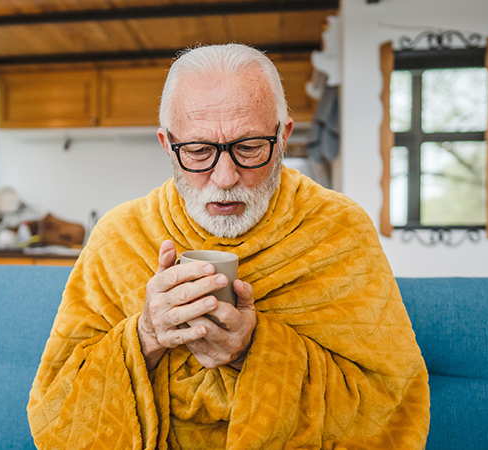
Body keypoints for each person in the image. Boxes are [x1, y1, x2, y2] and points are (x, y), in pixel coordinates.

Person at [28, 43, 430, 450]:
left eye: (249, 147)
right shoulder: (120, 235)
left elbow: (392, 409)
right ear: (168, 145)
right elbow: (55, 410)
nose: (224, 177)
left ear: (283, 136)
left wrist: (252, 350)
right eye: (199, 151)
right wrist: (146, 334)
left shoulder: (339, 228)